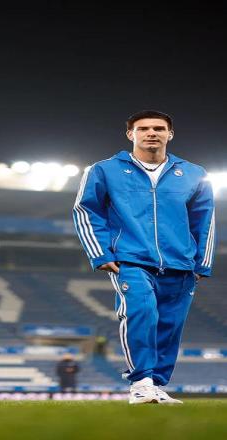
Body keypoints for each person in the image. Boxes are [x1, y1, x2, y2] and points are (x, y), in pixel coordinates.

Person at [72, 110, 215, 404]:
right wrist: (100, 253)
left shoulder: (194, 173)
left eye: (159, 128)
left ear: (169, 134)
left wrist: (203, 262)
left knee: (170, 326)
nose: (152, 133)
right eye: (144, 128)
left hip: (181, 263)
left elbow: (205, 220)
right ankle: (141, 382)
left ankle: (157, 385)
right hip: (131, 259)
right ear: (131, 134)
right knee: (142, 312)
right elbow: (86, 211)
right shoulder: (104, 170)